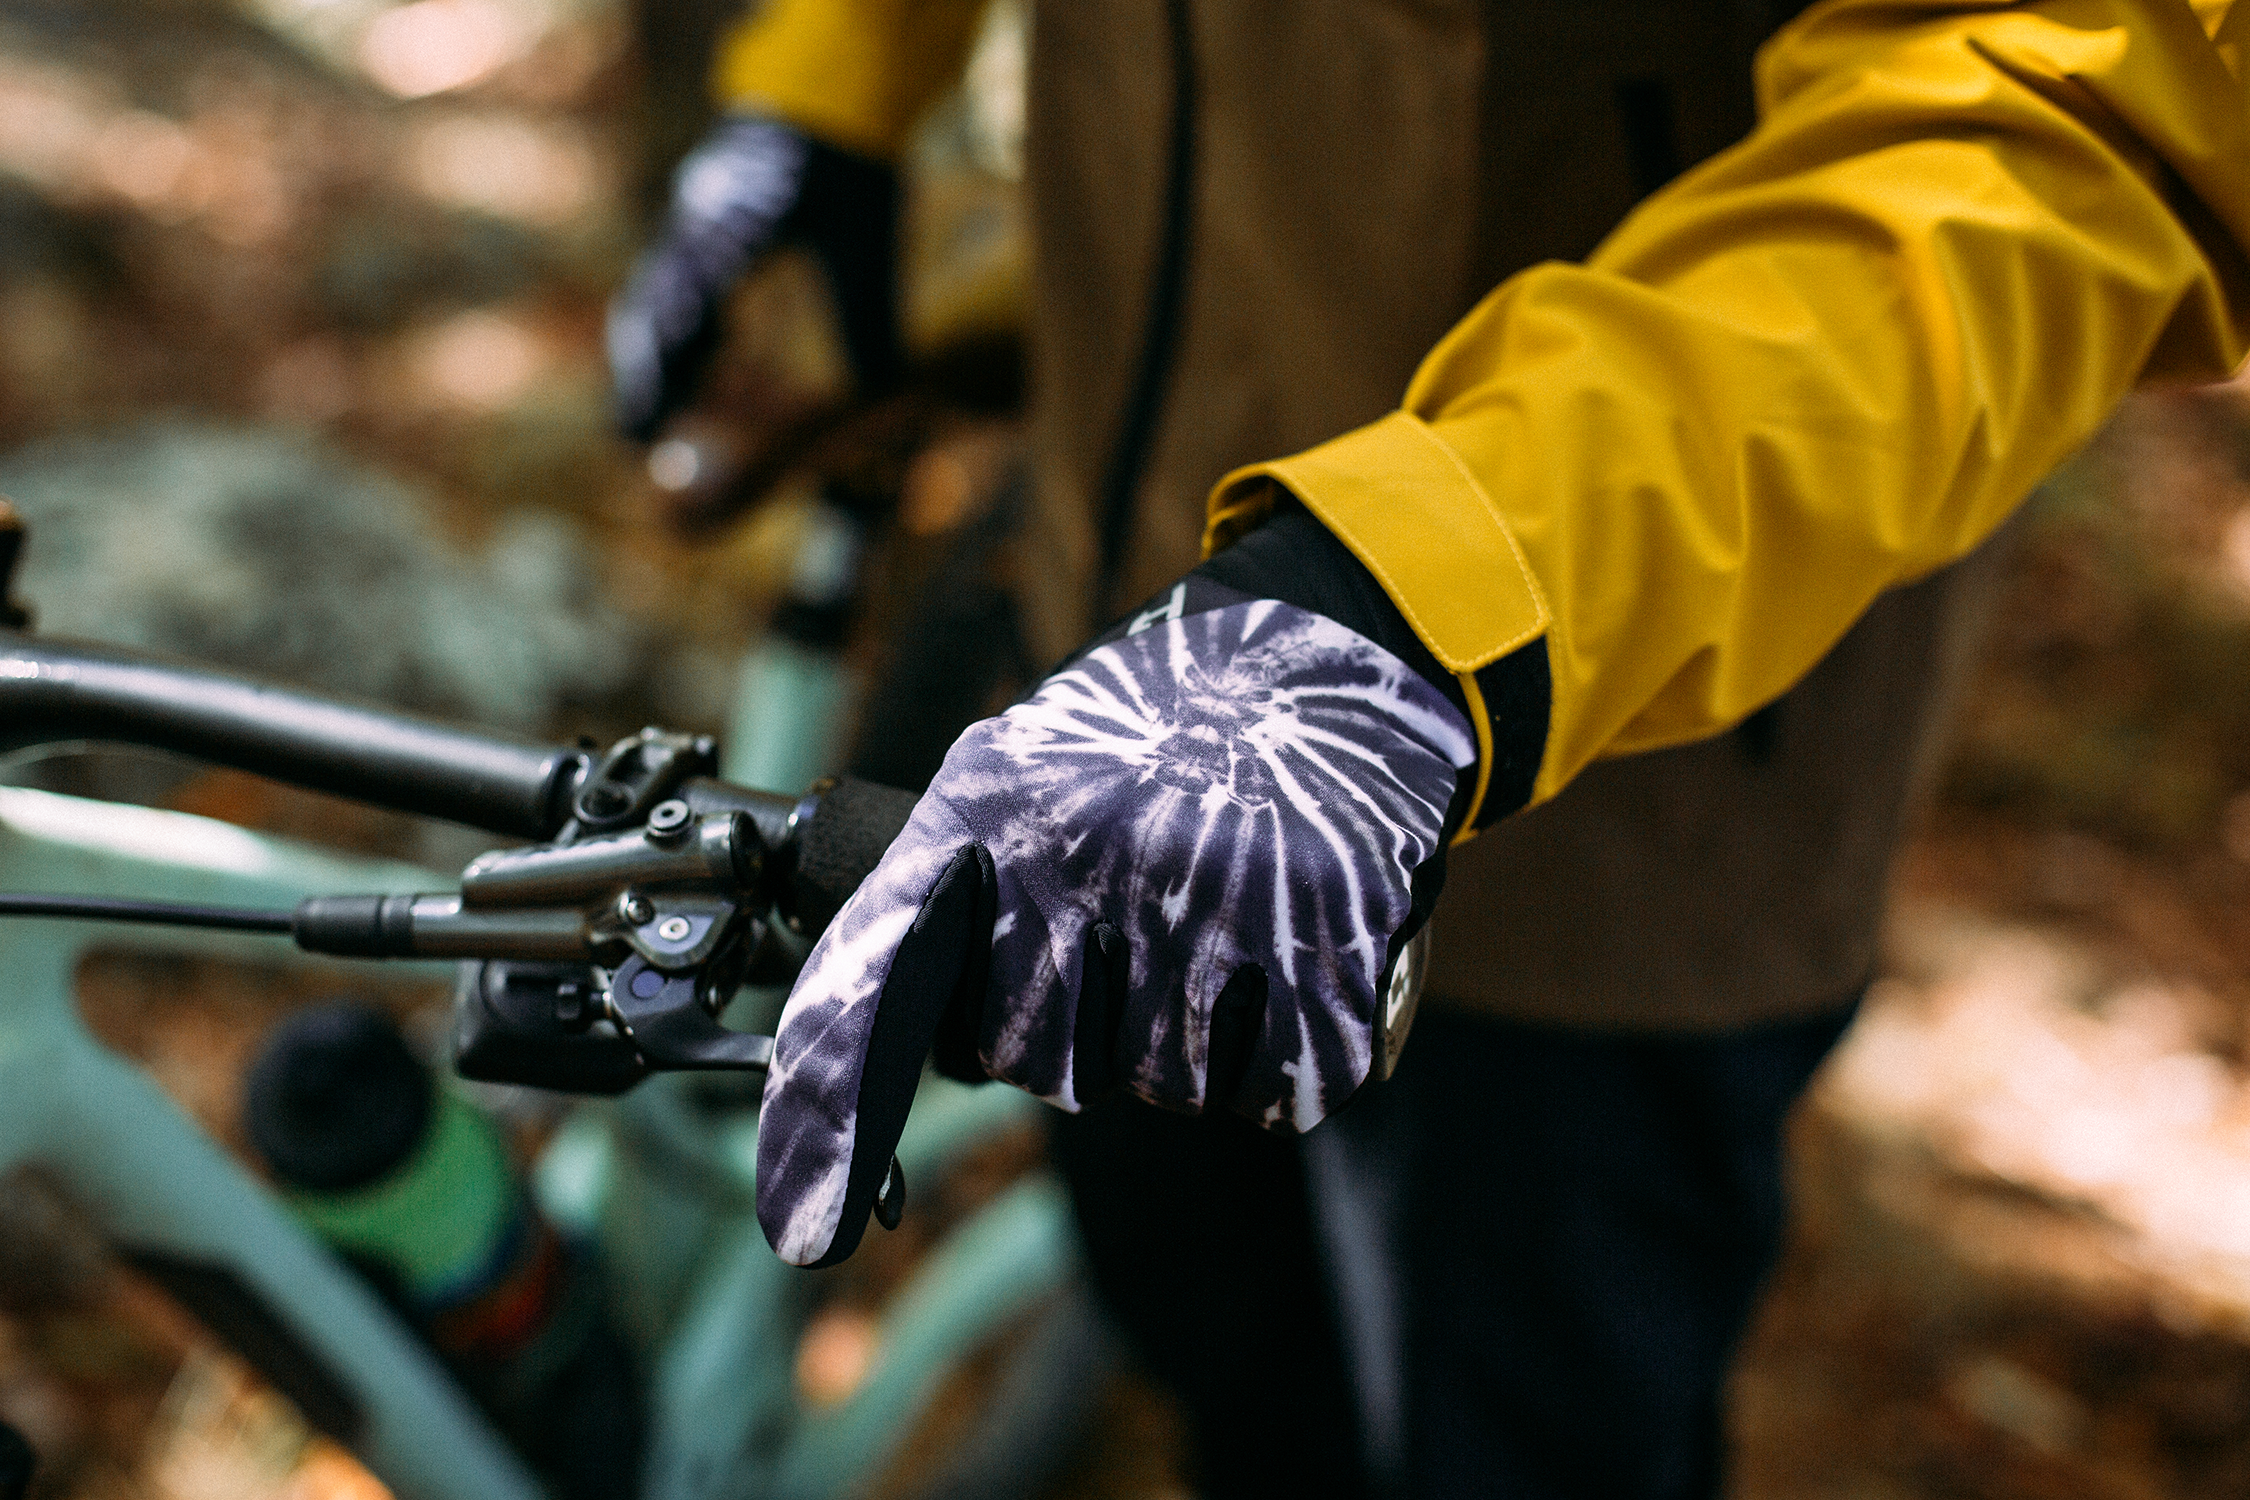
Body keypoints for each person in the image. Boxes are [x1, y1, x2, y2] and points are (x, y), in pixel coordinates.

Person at [607, 2, 2250, 1494]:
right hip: (1126, 582)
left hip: (1612, 720)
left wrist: (1419, 599)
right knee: (1217, 1349)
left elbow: (2075, 109)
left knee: (1511, 1437)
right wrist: (830, 84)